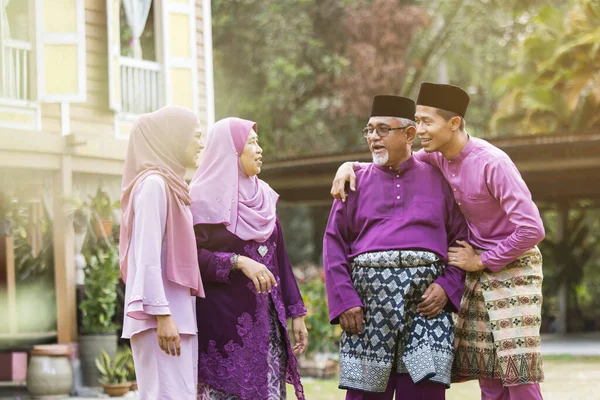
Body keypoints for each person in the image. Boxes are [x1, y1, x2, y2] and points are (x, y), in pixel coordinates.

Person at [330, 83, 546, 400]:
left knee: (518, 368)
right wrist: (348, 166)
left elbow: (530, 229)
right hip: (460, 272)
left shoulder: (488, 163)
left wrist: (469, 270)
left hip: (507, 267)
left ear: (454, 123)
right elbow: (389, 162)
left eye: (426, 122)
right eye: (417, 122)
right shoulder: (433, 160)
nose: (419, 131)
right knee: (488, 371)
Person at [324, 95, 468, 400]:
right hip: (367, 310)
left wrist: (447, 286)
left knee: (423, 393)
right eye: (369, 130)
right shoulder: (354, 181)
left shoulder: (438, 177)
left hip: (426, 307)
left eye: (382, 130)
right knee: (366, 395)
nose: (373, 137)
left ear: (409, 134)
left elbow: (460, 239)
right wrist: (345, 299)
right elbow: (333, 243)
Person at [189, 117, 308, 400]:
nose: (260, 149)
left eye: (258, 142)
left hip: (268, 327)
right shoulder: (200, 200)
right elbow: (187, 258)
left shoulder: (264, 197)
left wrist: (297, 313)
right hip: (223, 329)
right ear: (230, 151)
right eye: (251, 143)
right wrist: (237, 261)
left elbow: (281, 262)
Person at [120, 105, 206, 399]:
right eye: (195, 136)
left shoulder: (174, 188)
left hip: (175, 318)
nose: (201, 143)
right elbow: (146, 257)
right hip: (159, 319)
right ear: (173, 139)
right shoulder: (154, 186)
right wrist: (162, 315)